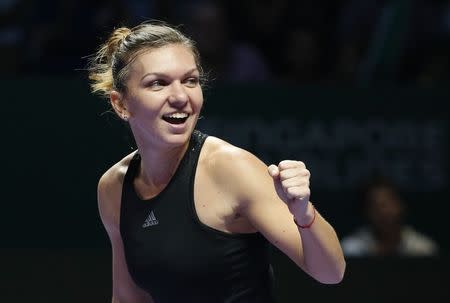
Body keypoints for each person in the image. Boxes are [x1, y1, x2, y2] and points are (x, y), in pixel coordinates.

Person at [88, 21, 345, 303]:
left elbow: (331, 273)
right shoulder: (113, 188)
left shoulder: (232, 168)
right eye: (158, 83)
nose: (180, 97)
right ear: (121, 104)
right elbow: (128, 298)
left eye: (190, 80)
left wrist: (304, 215)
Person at [341, 174, 439, 257]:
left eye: (387, 204)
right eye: (375, 207)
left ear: (401, 205)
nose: (383, 212)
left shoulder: (422, 249)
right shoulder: (351, 250)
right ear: (366, 211)